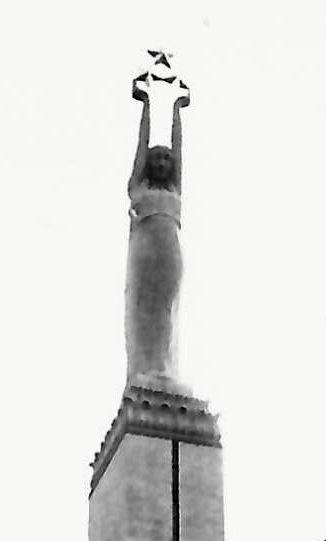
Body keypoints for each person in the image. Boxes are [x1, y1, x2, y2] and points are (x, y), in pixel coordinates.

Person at [126, 59, 189, 385]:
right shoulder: (139, 189)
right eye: (157, 157)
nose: (163, 162)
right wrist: (147, 104)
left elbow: (180, 146)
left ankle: (164, 368)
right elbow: (141, 146)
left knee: (166, 312)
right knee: (145, 310)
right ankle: (144, 369)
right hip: (145, 254)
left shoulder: (175, 189)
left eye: (167, 158)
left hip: (170, 254)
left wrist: (178, 108)